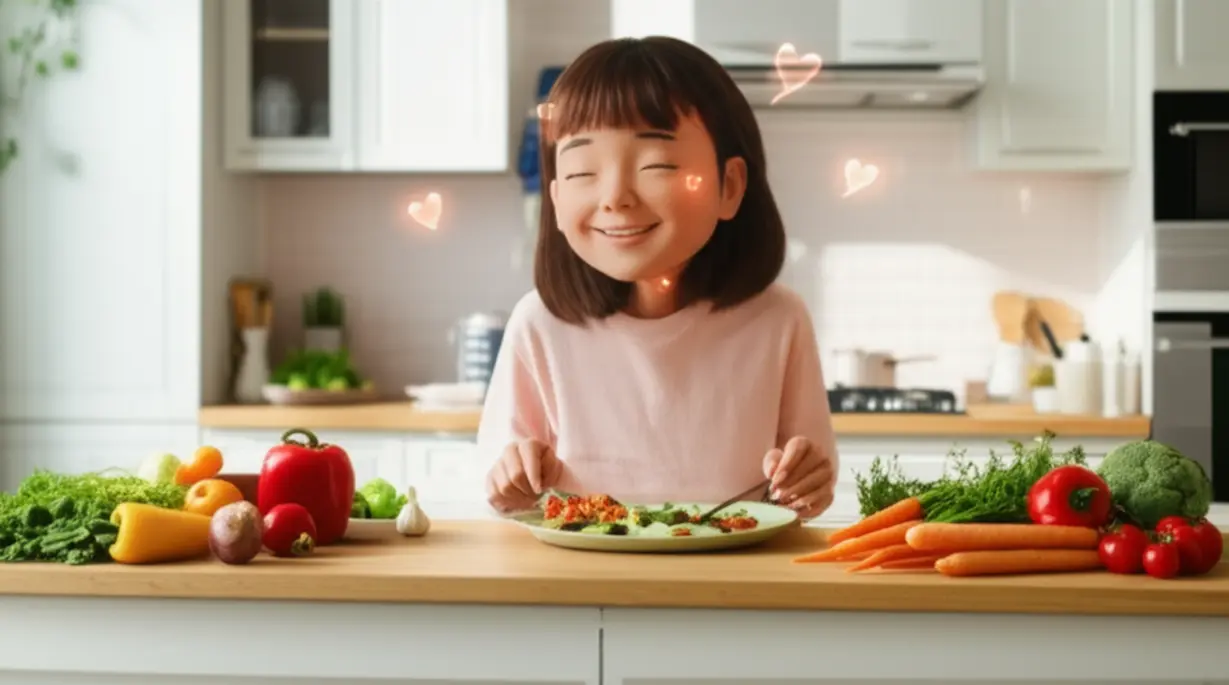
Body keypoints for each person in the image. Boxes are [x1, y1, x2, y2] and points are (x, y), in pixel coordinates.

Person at [477, 36, 839, 521]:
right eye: (584, 171)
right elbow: (502, 487)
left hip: (733, 585)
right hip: (580, 587)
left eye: (657, 166)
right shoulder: (539, 322)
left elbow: (808, 484)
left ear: (729, 186)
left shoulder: (779, 319)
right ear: (557, 197)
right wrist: (510, 480)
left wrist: (806, 483)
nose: (615, 198)